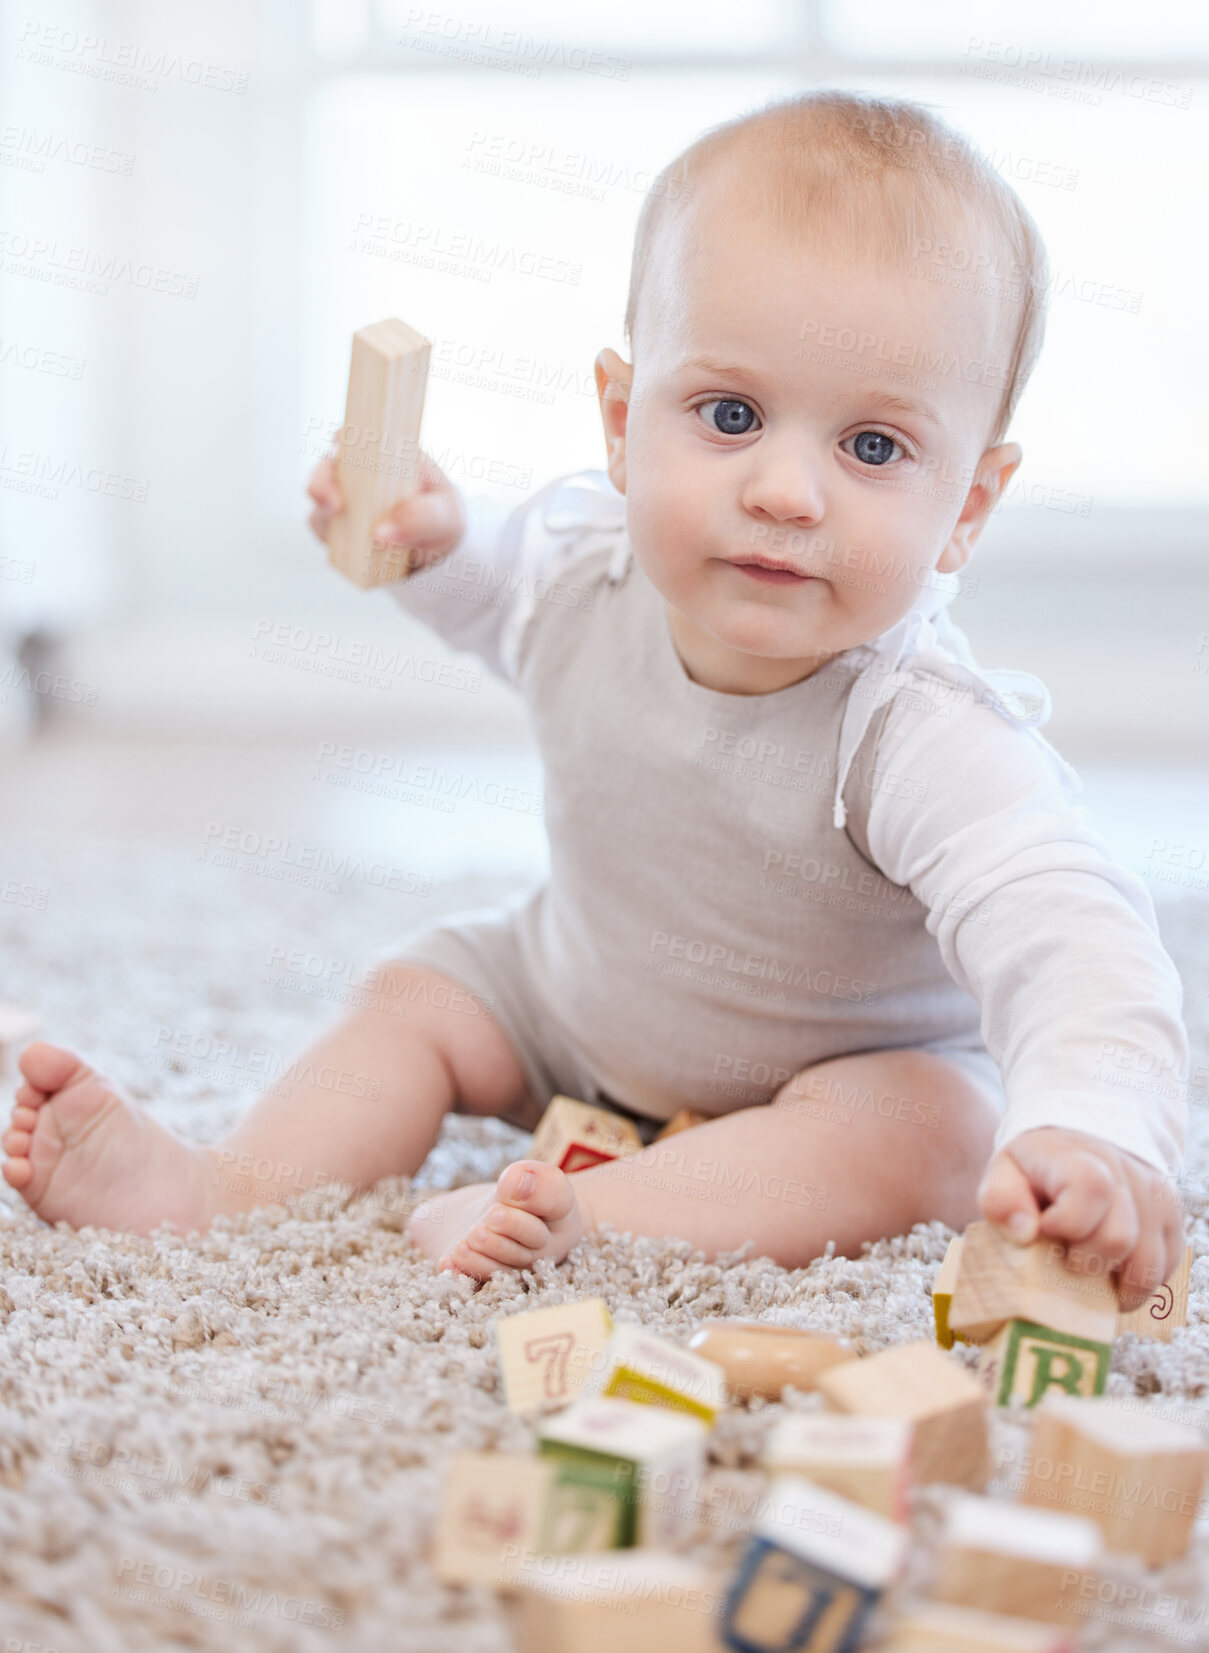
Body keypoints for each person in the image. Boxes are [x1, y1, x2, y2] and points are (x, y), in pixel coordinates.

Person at [3, 91, 1188, 1307]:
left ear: (970, 509)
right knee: (418, 989)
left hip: (824, 1082)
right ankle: (224, 1187)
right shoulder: (584, 576)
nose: (786, 491)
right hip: (565, 1008)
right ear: (625, 425)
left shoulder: (919, 730)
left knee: (937, 1124)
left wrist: (1094, 1124)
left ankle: (585, 1215)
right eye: (729, 416)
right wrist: (431, 548)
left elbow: (1075, 935)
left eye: (873, 448)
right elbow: (497, 603)